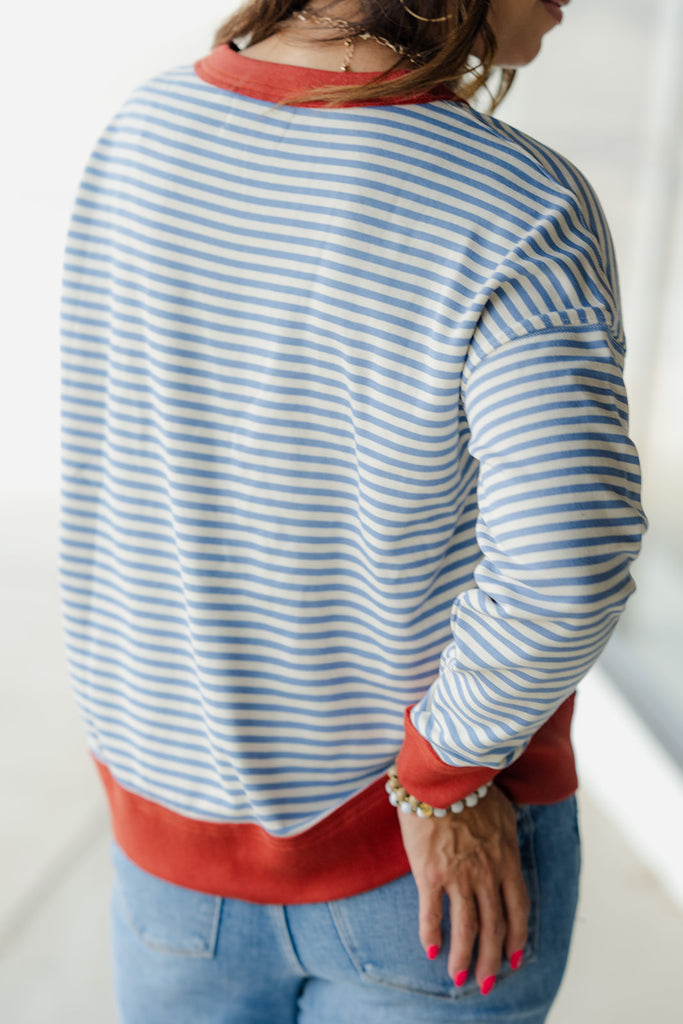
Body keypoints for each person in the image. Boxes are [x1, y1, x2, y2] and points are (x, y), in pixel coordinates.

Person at [59, 2, 646, 1022]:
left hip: (169, 861)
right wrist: (441, 777)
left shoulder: (144, 129)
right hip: (418, 865)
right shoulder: (514, 202)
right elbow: (565, 564)